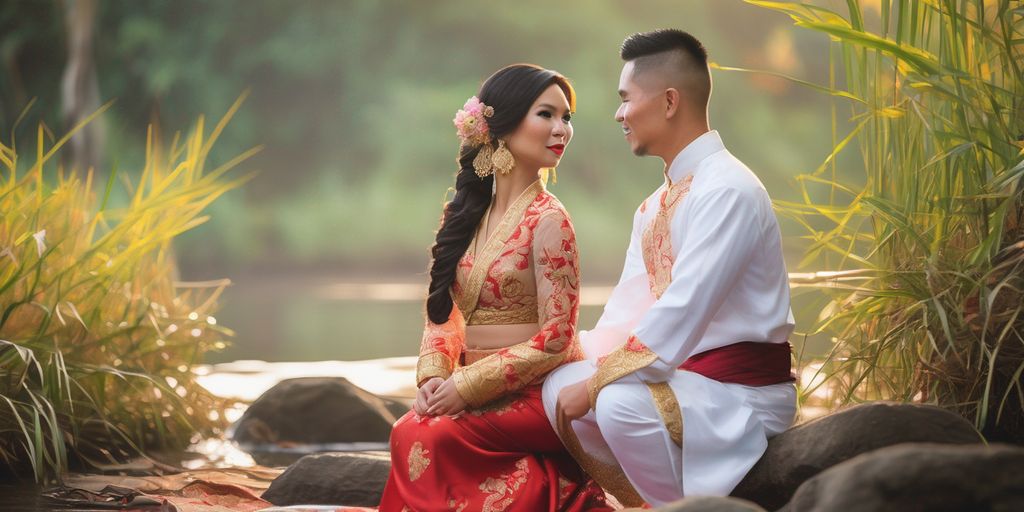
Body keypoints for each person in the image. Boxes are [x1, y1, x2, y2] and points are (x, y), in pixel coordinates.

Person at [542, 29, 798, 508]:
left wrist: (597, 385)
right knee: (558, 383)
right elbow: (622, 318)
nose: (619, 113)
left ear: (669, 101)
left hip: (741, 394)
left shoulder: (728, 190)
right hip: (681, 384)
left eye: (626, 99)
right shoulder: (655, 205)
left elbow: (683, 309)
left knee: (614, 401)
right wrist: (555, 362)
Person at [378, 64, 610, 512]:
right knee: (407, 427)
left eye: (567, 118)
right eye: (547, 114)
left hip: (537, 391)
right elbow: (443, 315)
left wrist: (467, 387)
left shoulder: (550, 220)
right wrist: (435, 377)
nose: (562, 129)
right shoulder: (464, 216)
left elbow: (558, 339)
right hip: (469, 382)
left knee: (432, 434)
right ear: (501, 124)